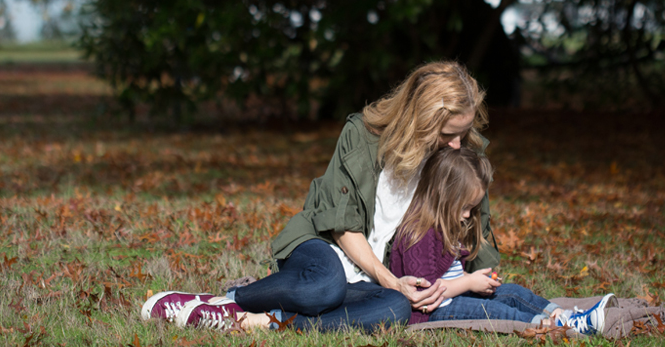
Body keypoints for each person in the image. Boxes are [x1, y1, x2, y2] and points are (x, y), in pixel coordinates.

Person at [141, 60, 499, 332]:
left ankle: (269, 320)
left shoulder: (461, 152)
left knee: (394, 311)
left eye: (464, 132)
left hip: (373, 280)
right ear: (420, 120)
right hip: (325, 248)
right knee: (325, 287)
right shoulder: (361, 135)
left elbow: (479, 236)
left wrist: (470, 281)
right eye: (449, 133)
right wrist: (391, 280)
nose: (457, 143)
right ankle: (233, 300)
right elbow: (341, 226)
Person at [389, 146, 615, 335]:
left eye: (471, 208)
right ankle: (555, 327)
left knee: (513, 293)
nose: (468, 215)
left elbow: (449, 275)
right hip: (432, 313)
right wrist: (469, 283)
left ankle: (563, 314)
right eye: (465, 207)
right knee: (498, 312)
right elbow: (425, 295)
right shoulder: (418, 233)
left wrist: (473, 280)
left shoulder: (444, 224)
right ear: (444, 195)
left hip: (453, 296)